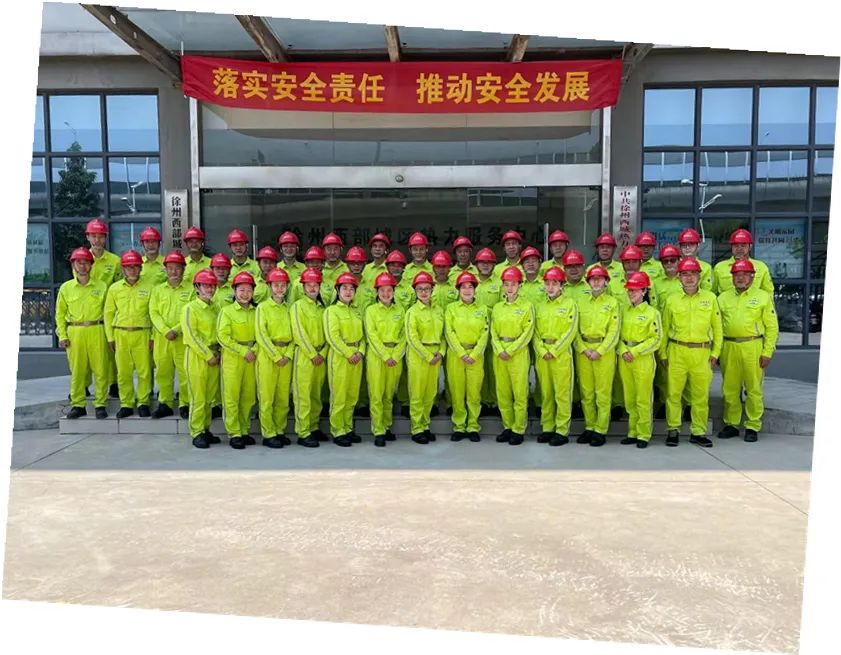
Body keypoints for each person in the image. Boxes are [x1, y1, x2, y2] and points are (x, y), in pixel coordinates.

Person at [659, 258, 723, 447]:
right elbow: (664, 328)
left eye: (693, 273)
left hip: (702, 353)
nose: (689, 278)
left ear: (699, 276)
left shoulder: (710, 298)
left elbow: (718, 328)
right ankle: (673, 430)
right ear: (679, 277)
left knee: (700, 396)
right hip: (676, 351)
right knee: (673, 394)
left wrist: (715, 353)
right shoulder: (672, 300)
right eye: (685, 274)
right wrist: (663, 354)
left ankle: (698, 432)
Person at [716, 259, 779, 442]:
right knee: (730, 388)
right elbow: (716, 327)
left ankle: (752, 425)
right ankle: (732, 424)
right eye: (737, 274)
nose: (740, 278)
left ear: (752, 276)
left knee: (753, 388)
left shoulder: (763, 297)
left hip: (753, 346)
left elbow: (772, 327)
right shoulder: (722, 298)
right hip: (729, 346)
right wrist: (717, 351)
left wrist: (767, 351)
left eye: (745, 274)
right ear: (732, 277)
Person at [56, 247, 109, 419]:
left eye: (86, 262)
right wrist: (62, 335)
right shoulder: (66, 288)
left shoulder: (102, 286)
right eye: (79, 262)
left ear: (91, 265)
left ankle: (100, 404)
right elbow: (60, 314)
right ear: (73, 265)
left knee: (101, 369)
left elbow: (109, 313)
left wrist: (110, 337)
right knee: (77, 371)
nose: (83, 266)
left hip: (97, 329)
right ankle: (78, 404)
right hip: (75, 332)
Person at [104, 250, 154, 419]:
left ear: (141, 268)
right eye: (128, 267)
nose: (132, 270)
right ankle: (126, 404)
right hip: (120, 333)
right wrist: (110, 337)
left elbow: (153, 314)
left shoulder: (150, 288)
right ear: (123, 269)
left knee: (144, 371)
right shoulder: (114, 289)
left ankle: (143, 402)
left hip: (143, 333)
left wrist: (153, 337)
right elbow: (108, 314)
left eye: (135, 267)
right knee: (123, 372)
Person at [532, 266, 578, 446]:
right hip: (543, 354)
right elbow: (534, 331)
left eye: (554, 283)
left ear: (562, 285)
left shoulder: (569, 304)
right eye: (547, 283)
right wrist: (542, 350)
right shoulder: (539, 306)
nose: (550, 287)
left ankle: (561, 430)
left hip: (561, 355)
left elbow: (571, 330)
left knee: (562, 394)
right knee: (546, 393)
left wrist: (555, 350)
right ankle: (547, 427)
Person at [574, 265, 620, 447]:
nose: (596, 282)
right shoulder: (581, 302)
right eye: (593, 279)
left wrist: (600, 351)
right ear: (588, 282)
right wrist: (583, 349)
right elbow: (574, 329)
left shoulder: (612, 303)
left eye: (600, 279)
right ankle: (589, 426)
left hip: (604, 353)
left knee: (602, 393)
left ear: (606, 282)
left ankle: (600, 430)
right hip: (584, 351)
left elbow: (614, 331)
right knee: (586, 393)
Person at [617, 271, 662, 449]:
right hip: (625, 358)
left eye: (635, 290)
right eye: (629, 290)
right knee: (629, 398)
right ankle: (632, 432)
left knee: (643, 399)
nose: (632, 293)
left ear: (644, 291)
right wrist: (623, 350)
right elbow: (616, 333)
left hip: (642, 359)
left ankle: (643, 434)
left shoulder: (652, 313)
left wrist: (634, 352)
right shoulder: (624, 311)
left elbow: (656, 339)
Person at [491, 267, 535, 445]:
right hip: (500, 353)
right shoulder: (497, 307)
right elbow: (493, 331)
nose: (510, 288)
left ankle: (518, 428)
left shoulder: (526, 307)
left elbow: (527, 332)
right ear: (502, 286)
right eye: (507, 284)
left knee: (519, 393)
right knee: (503, 392)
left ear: (520, 286)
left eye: (513, 284)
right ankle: (507, 426)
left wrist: (511, 350)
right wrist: (499, 349)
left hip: (518, 354)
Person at [444, 271, 489, 443]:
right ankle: (459, 426)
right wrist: (462, 353)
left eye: (470, 287)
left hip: (476, 357)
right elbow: (449, 332)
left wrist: (475, 353)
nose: (467, 290)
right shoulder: (451, 309)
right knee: (457, 393)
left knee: (474, 394)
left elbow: (485, 333)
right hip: (456, 356)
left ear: (475, 289)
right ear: (458, 290)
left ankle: (473, 426)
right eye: (463, 287)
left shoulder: (482, 309)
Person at [149, 250, 193, 420]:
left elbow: (191, 313)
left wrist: (176, 330)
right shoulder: (157, 290)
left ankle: (185, 403)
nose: (174, 271)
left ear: (184, 269)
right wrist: (166, 330)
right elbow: (153, 312)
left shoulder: (191, 289)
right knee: (163, 372)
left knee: (185, 372)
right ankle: (165, 403)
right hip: (162, 338)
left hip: (183, 338)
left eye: (177, 268)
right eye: (170, 268)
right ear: (165, 269)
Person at [216, 271, 258, 449]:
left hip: (252, 358)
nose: (245, 294)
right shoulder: (227, 311)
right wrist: (242, 351)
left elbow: (262, 333)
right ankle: (234, 432)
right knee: (231, 396)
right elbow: (222, 336)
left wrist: (253, 350)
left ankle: (244, 429)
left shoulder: (257, 311)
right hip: (233, 358)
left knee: (248, 396)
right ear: (234, 291)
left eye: (248, 290)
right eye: (241, 290)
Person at [324, 272, 365, 446]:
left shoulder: (356, 311)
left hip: (357, 357)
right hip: (340, 357)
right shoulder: (331, 311)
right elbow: (332, 336)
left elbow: (363, 336)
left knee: (351, 395)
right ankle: (338, 430)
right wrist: (349, 353)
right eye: (344, 288)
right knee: (339, 396)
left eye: (351, 289)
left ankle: (347, 427)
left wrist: (360, 352)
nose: (348, 292)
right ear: (337, 290)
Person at [254, 268, 295, 448]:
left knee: (283, 397)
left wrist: (288, 354)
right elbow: (261, 334)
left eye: (282, 285)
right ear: (269, 286)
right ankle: (268, 433)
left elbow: (295, 334)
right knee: (267, 397)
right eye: (276, 285)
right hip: (268, 357)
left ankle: (279, 430)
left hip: (286, 356)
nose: (279, 289)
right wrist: (276, 355)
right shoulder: (262, 308)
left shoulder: (289, 308)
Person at [181, 268, 221, 449]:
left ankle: (205, 429)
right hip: (197, 357)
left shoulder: (215, 308)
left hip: (214, 356)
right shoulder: (190, 308)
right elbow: (191, 336)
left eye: (212, 286)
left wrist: (217, 351)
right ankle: (196, 432)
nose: (209, 289)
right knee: (198, 397)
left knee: (209, 397)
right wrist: (208, 355)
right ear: (197, 287)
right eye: (205, 286)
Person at [364, 272, 405, 447]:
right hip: (377, 357)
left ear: (394, 292)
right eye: (382, 290)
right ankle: (378, 430)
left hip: (395, 357)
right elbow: (371, 335)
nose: (386, 294)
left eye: (389, 290)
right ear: (376, 292)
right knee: (376, 395)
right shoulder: (371, 311)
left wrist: (395, 355)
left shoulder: (400, 311)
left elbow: (404, 335)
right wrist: (385, 355)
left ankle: (387, 426)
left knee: (389, 395)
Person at [404, 271, 446, 444]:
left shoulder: (438, 310)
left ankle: (425, 425)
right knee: (417, 394)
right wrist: (428, 356)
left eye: (427, 288)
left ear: (432, 290)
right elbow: (412, 337)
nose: (423, 292)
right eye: (420, 289)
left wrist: (441, 352)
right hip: (419, 357)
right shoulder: (412, 312)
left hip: (436, 355)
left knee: (430, 394)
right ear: (415, 291)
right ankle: (417, 428)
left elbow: (443, 335)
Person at [290, 267, 329, 447]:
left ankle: (313, 427)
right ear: (303, 287)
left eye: (315, 285)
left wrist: (323, 353)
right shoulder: (298, 306)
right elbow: (298, 332)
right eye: (309, 285)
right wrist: (312, 354)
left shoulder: (322, 308)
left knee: (316, 394)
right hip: (305, 356)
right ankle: (303, 431)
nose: (312, 288)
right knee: (303, 395)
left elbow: (328, 332)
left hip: (320, 356)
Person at [85, 218, 121, 398]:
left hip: (109, 313)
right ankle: (83, 385)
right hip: (88, 314)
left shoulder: (114, 260)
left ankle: (114, 384)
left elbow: (119, 284)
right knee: (85, 355)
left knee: (111, 351)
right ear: (88, 237)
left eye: (101, 236)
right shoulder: (82, 259)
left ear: (105, 238)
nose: (97, 240)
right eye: (94, 236)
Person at [651, 244, 683, 418]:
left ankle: (686, 405)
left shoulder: (686, 280)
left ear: (679, 260)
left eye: (672, 260)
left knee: (683, 374)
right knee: (663, 373)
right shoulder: (656, 283)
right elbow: (653, 307)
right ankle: (664, 403)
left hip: (682, 334)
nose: (669, 264)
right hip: (663, 333)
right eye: (665, 261)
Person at [474, 247, 502, 416]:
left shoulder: (500, 283)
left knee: (495, 369)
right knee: (480, 369)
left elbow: (503, 308)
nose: (485, 265)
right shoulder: (470, 281)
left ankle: (496, 401)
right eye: (482, 262)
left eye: (489, 262)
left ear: (494, 264)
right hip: (476, 334)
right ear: (476, 264)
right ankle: (483, 401)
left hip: (494, 333)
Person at [712, 229, 775, 295]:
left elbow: (769, 292)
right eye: (736, 246)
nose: (739, 249)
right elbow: (712, 293)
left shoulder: (761, 267)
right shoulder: (719, 267)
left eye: (743, 245)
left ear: (750, 247)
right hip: (727, 301)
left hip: (753, 301)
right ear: (731, 247)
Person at [346, 246, 375, 313]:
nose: (356, 266)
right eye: (353, 263)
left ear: (364, 264)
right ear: (347, 264)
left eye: (359, 263)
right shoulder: (341, 285)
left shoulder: (371, 285)